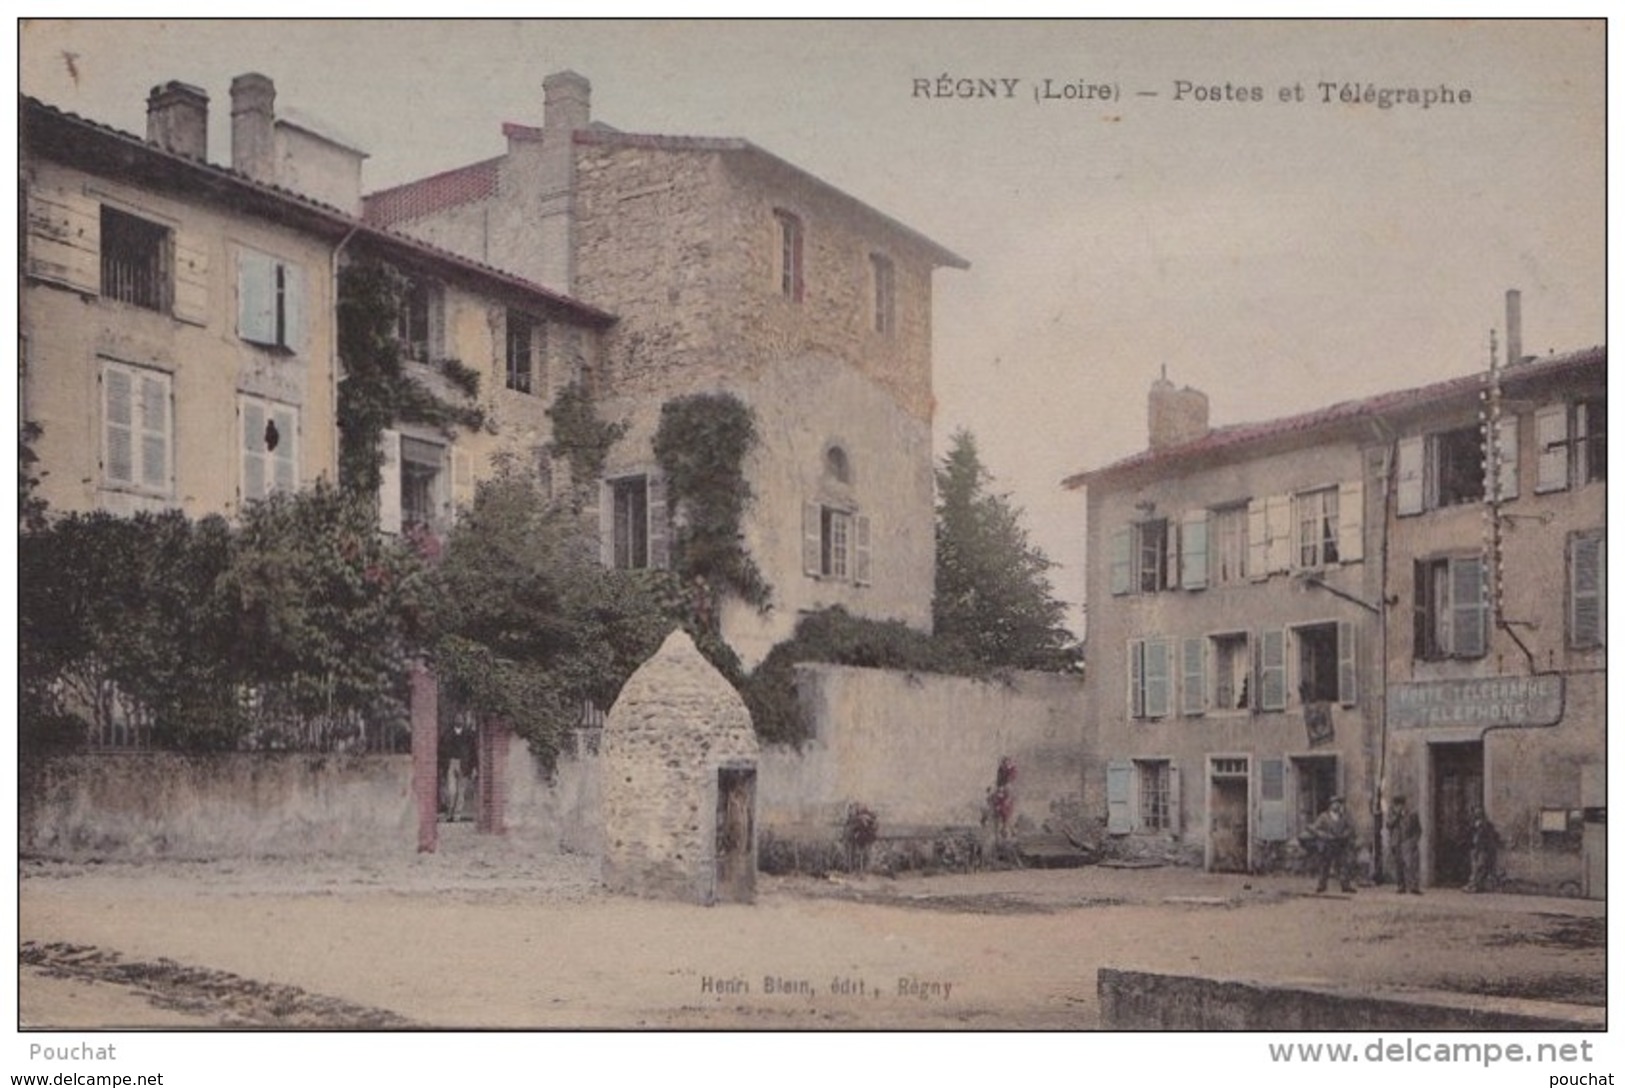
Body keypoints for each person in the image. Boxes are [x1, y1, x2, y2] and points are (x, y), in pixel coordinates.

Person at [1310, 795, 1357, 893]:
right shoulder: (1324, 817)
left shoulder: (1343, 817)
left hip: (1340, 844)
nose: (1336, 806)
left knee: (1343, 864)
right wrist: (1325, 835)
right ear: (1330, 805)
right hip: (1328, 844)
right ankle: (1321, 885)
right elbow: (1315, 829)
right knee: (1325, 865)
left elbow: (1350, 828)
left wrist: (1344, 834)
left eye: (1338, 804)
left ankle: (1345, 885)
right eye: (1334, 804)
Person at [1385, 794, 1423, 894]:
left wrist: (1414, 841)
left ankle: (1414, 886)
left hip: (1408, 842)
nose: (1398, 807)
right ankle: (1401, 886)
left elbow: (1418, 830)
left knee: (1411, 866)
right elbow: (1388, 825)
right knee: (1399, 866)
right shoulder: (1392, 815)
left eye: (1400, 805)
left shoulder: (1412, 814)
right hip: (1396, 842)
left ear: (1404, 805)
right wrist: (1396, 816)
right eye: (1396, 805)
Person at [1464, 810, 1501, 892]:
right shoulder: (1475, 826)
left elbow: (1490, 838)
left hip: (1483, 850)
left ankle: (1476, 885)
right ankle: (1474, 885)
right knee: (1476, 868)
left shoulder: (1486, 826)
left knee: (1479, 868)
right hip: (1477, 849)